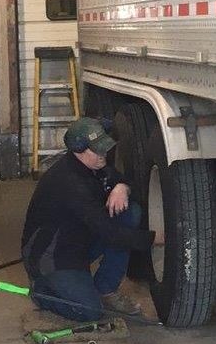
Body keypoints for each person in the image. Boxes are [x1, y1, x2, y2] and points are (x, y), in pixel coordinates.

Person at [21, 117, 155, 322]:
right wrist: (153, 240)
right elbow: (109, 233)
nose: (104, 154)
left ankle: (106, 289)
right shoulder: (70, 184)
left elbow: (118, 180)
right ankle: (42, 292)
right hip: (53, 257)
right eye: (97, 150)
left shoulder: (94, 166)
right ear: (78, 150)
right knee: (89, 311)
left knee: (129, 212)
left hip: (78, 240)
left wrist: (121, 187)